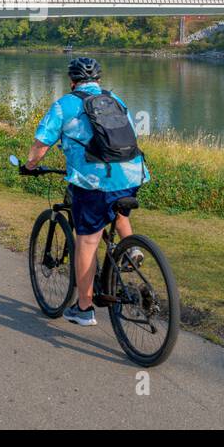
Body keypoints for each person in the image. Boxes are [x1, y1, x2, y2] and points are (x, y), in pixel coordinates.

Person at [23, 56, 148, 326]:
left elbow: (41, 144)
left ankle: (84, 308)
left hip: (93, 181)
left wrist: (30, 165)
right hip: (132, 173)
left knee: (87, 241)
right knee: (118, 212)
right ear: (98, 80)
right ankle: (131, 249)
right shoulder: (115, 99)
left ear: (72, 81)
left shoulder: (65, 105)